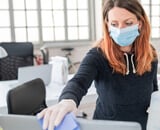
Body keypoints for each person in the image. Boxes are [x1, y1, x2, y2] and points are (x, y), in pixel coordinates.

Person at [37, 0, 158, 130]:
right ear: (107, 25)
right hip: (106, 126)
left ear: (140, 23)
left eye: (128, 23)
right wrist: (67, 100)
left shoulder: (149, 54)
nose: (121, 29)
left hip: (142, 126)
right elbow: (79, 82)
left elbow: (154, 90)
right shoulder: (98, 55)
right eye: (114, 24)